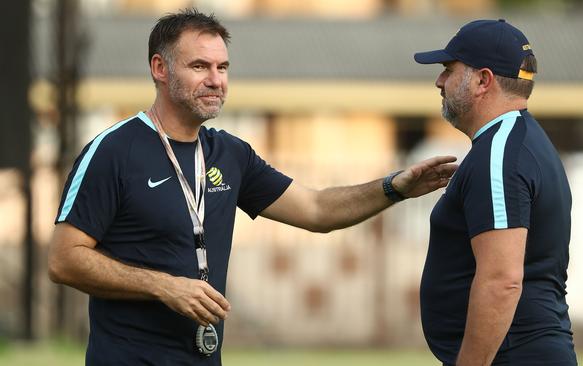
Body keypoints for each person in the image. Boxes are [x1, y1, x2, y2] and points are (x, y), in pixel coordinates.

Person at [47, 9, 458, 366]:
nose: (215, 80)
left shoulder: (229, 153)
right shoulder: (113, 150)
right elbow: (64, 260)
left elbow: (317, 210)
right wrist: (163, 285)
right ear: (160, 68)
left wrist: (395, 188)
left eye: (222, 68)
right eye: (199, 67)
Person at [413, 19, 577, 365]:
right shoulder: (519, 142)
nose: (439, 81)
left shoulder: (502, 151)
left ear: (483, 80)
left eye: (448, 69)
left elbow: (502, 280)